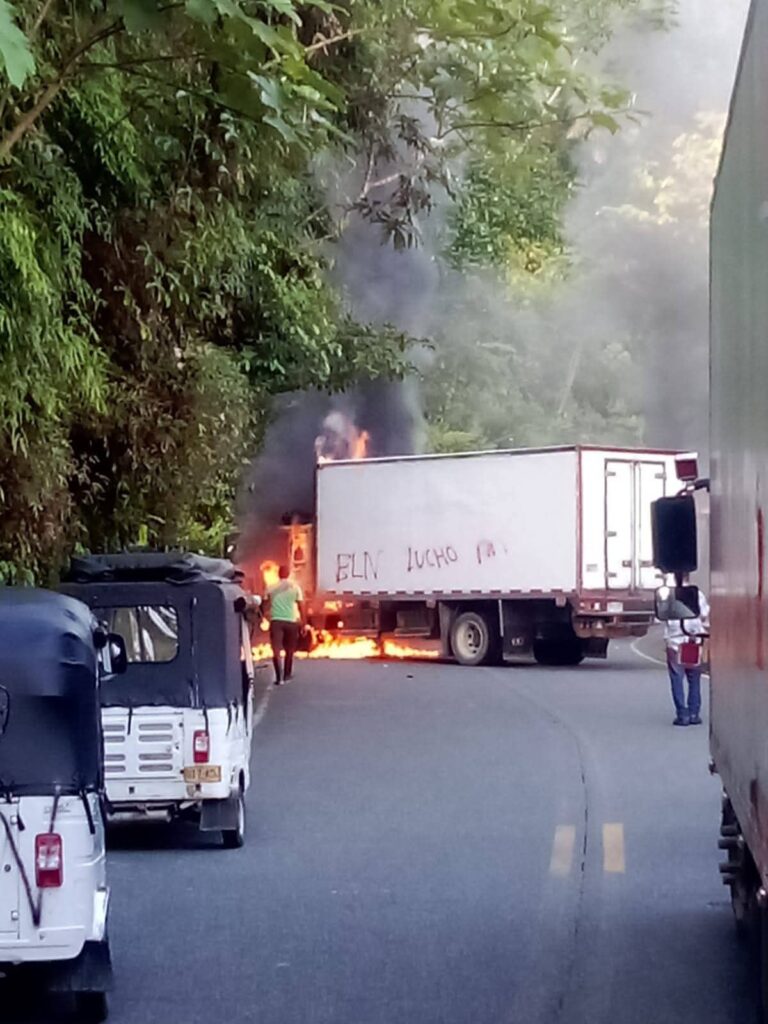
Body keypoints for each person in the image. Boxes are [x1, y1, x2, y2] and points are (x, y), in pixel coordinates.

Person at [665, 582, 710, 727]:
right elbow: (704, 613)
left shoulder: (667, 595)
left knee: (677, 680)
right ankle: (694, 713)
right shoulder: (698, 593)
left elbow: (660, 617)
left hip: (674, 642)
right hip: (693, 641)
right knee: (694, 679)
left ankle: (682, 715)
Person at [265, 565, 305, 686]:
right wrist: (303, 623)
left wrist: (265, 616)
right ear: (288, 574)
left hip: (276, 621)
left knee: (276, 650)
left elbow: (264, 604)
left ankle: (279, 677)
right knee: (290, 650)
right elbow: (301, 606)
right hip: (291, 622)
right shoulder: (295, 587)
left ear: (278, 574)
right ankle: (287, 674)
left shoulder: (270, 587)